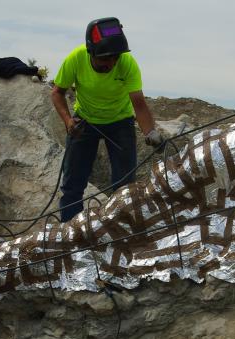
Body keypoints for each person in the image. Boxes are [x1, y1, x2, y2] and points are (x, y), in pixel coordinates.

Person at [50, 17, 163, 222]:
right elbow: (57, 93)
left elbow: (139, 104)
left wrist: (150, 132)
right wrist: (67, 120)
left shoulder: (127, 64)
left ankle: (120, 231)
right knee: (73, 184)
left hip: (120, 123)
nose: (110, 63)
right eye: (104, 59)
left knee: (125, 186)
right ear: (90, 52)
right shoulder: (76, 59)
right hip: (85, 122)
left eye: (114, 58)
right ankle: (70, 232)